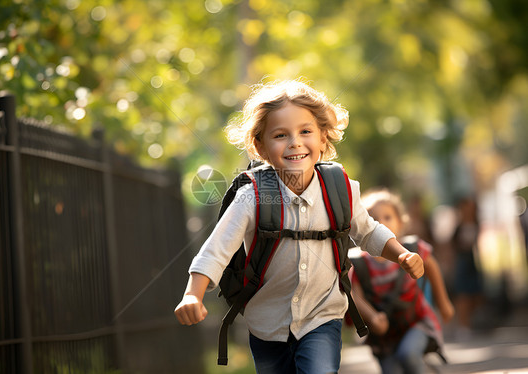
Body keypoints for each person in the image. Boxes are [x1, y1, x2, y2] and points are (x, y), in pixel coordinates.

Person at [174, 79, 424, 374]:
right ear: (260, 146)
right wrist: (193, 293)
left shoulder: (341, 189)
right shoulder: (252, 197)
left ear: (323, 137)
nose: (295, 142)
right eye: (280, 135)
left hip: (323, 316)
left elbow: (368, 231)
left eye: (305, 131)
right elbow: (216, 249)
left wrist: (401, 254)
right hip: (267, 324)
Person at [349, 189, 454, 374]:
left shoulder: (412, 249)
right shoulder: (358, 263)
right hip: (383, 333)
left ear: (400, 221)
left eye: (387, 217)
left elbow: (431, 266)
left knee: (408, 354)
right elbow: (353, 294)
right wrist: (372, 317)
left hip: (416, 322)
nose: (380, 223)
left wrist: (443, 302)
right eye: (372, 219)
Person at [451, 196, 483, 339]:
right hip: (462, 263)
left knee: (475, 294)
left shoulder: (476, 224)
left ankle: (469, 323)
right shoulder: (457, 227)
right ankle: (463, 325)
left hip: (474, 262)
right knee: (463, 295)